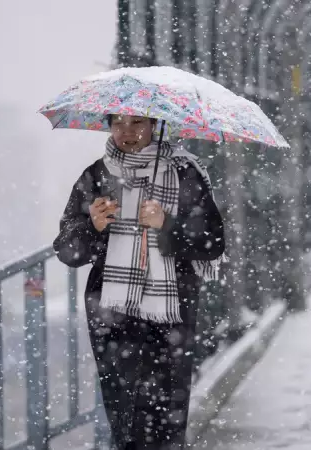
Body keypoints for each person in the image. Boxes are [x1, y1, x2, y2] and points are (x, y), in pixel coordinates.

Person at [53, 114, 226, 449]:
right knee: (124, 413)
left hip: (172, 313)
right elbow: (67, 251)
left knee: (168, 415)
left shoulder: (184, 173)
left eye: (136, 123)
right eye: (117, 123)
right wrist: (92, 226)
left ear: (154, 126)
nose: (126, 132)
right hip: (112, 315)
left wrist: (167, 224)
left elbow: (213, 241)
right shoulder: (96, 176)